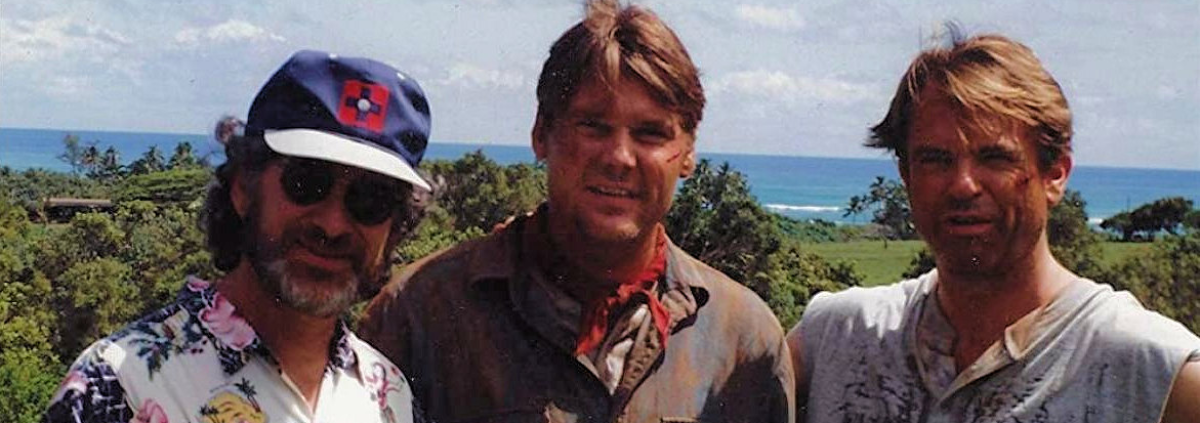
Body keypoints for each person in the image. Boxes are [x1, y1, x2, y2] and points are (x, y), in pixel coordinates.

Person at [358, 1, 794, 422]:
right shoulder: (420, 313)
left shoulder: (743, 341)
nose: (620, 157)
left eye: (650, 134)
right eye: (593, 126)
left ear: (687, 154)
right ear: (541, 134)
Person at [787, 27, 1200, 423]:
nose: (963, 185)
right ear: (907, 175)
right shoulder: (837, 339)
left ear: (1055, 174)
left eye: (995, 158)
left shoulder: (1148, 370)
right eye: (936, 159)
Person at [43, 50, 434, 423]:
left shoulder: (389, 396)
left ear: (396, 226)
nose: (332, 225)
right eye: (306, 182)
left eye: (370, 199)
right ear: (244, 189)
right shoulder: (121, 387)